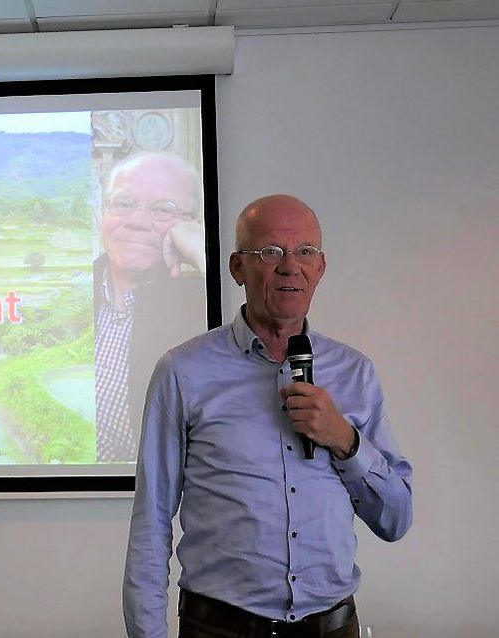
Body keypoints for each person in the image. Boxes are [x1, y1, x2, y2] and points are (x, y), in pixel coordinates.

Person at [123, 194, 413, 638]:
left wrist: (346, 441)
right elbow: (152, 520)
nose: (289, 266)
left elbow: (395, 520)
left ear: (321, 268)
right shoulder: (183, 371)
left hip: (333, 627)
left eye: (305, 253)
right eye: (271, 252)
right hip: (219, 628)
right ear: (237, 267)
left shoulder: (356, 372)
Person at [95, 152, 207, 462]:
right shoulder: (76, 289)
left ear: (192, 225)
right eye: (124, 203)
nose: (137, 222)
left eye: (163, 209)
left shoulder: (202, 303)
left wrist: (204, 252)